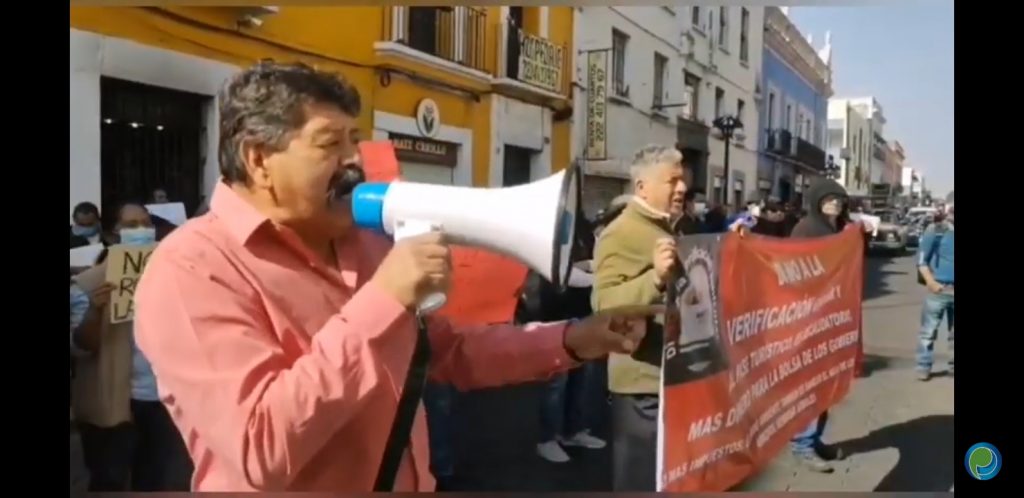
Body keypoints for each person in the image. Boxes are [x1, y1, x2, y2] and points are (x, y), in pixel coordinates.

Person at [131, 61, 652, 492]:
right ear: (259, 159)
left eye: (354, 139)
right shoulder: (193, 268)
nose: (354, 159)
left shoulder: (365, 244)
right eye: (329, 143)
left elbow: (443, 353)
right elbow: (259, 446)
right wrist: (382, 299)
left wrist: (573, 339)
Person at [71, 202, 194, 492]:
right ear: (115, 233)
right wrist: (95, 311)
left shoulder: (173, 277)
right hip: (112, 402)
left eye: (145, 223)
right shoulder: (87, 285)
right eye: (130, 225)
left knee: (154, 479)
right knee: (109, 481)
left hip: (158, 399)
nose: (140, 230)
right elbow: (80, 348)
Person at [592, 144, 686, 492]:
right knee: (639, 481)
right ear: (642, 187)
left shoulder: (665, 227)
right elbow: (603, 305)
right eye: (672, 180)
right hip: (641, 386)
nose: (682, 188)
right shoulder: (622, 233)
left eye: (682, 180)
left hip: (666, 378)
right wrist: (655, 279)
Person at [518, 214, 607, 464]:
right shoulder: (550, 229)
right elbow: (561, 272)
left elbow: (587, 264)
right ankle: (547, 439)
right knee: (556, 384)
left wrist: (588, 266)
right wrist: (596, 275)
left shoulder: (584, 229)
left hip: (581, 314)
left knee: (580, 379)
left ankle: (573, 431)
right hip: (555, 316)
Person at [786, 177, 850, 473]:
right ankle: (802, 444)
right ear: (816, 203)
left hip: (829, 318)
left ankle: (814, 439)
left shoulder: (836, 230)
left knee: (824, 384)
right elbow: (793, 272)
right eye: (828, 200)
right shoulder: (807, 230)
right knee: (809, 385)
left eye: (838, 200)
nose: (834, 204)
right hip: (807, 320)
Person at [915, 203, 954, 381]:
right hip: (939, 290)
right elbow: (922, 262)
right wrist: (931, 282)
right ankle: (924, 366)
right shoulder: (936, 231)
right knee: (928, 333)